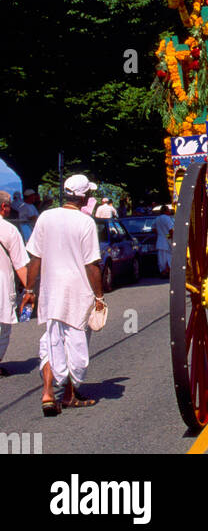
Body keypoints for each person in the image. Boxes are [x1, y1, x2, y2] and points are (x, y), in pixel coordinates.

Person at [23, 173, 105, 413]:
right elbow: (92, 265)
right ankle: (69, 395)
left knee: (50, 341)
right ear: (84, 196)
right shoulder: (85, 222)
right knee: (74, 343)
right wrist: (99, 297)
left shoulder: (46, 217)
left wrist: (29, 290)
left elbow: (35, 259)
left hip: (51, 292)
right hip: (78, 294)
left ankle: (48, 393)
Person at [0, 190, 31, 376]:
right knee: (3, 328)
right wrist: (30, 290)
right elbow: (20, 264)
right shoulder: (9, 230)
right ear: (4, 207)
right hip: (2, 286)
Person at [153, 205, 174, 278]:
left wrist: (160, 234)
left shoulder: (157, 219)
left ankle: (163, 271)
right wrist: (169, 236)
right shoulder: (167, 218)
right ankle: (167, 271)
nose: (169, 212)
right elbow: (171, 230)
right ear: (166, 211)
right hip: (167, 241)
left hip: (160, 240)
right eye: (168, 210)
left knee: (161, 259)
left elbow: (153, 229)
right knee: (169, 257)